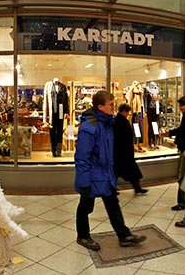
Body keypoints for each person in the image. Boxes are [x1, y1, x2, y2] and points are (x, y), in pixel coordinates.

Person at [73, 91, 146, 251]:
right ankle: (83, 236)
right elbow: (82, 158)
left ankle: (124, 234)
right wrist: (83, 181)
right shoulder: (89, 128)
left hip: (106, 174)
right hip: (92, 176)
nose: (114, 107)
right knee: (86, 206)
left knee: (113, 203)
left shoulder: (108, 124)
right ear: (100, 106)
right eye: (111, 104)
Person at [164, 96, 185, 211]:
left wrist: (170, 133)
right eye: (180, 106)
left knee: (182, 177)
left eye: (182, 105)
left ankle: (183, 203)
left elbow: (183, 131)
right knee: (184, 177)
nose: (180, 108)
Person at [113, 104, 147, 194]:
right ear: (124, 111)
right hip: (124, 152)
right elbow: (124, 137)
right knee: (130, 170)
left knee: (118, 171)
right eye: (127, 112)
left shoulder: (117, 121)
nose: (128, 114)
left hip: (120, 152)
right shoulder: (122, 121)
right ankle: (137, 188)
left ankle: (136, 188)